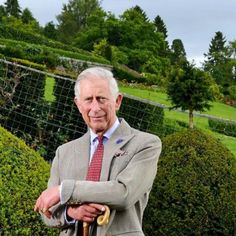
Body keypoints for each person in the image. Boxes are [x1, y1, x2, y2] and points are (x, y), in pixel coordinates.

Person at [34, 67, 162, 236]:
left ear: (117, 101)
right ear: (78, 105)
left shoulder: (145, 144)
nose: (95, 108)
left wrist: (64, 191)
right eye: (88, 100)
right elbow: (48, 212)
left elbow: (124, 194)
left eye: (101, 99)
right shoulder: (64, 152)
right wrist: (71, 213)